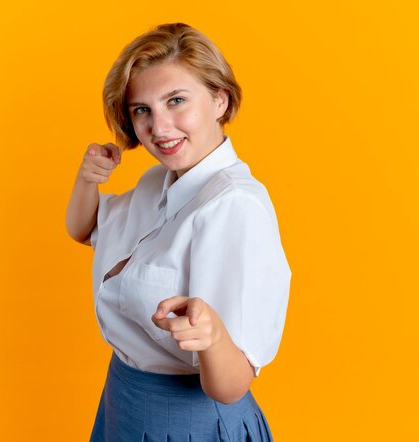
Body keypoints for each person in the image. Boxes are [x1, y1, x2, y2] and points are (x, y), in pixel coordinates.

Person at [65, 22, 291, 441]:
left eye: (176, 101)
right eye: (142, 110)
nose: (160, 127)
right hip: (123, 402)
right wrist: (87, 180)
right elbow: (85, 230)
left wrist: (212, 335)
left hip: (190, 423)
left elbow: (230, 386)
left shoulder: (234, 207)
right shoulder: (157, 181)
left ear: (219, 100)